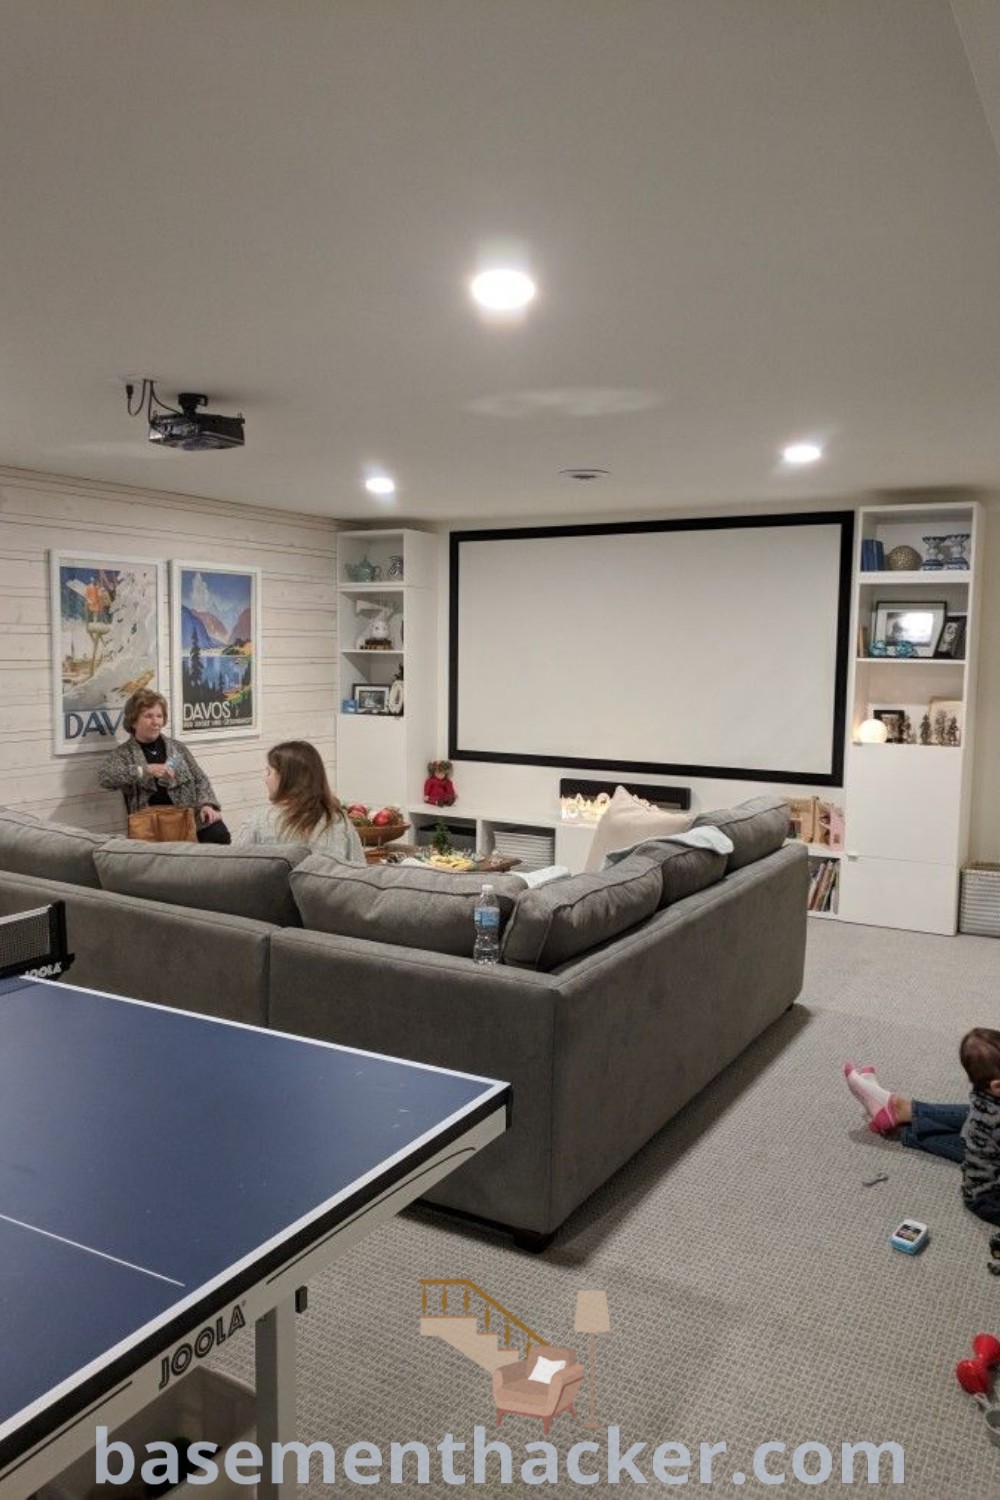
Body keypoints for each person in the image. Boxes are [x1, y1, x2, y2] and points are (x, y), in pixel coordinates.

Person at [843, 1028, 1000, 1226]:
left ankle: (900, 1117)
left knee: (978, 1129)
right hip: (986, 1194)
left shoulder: (984, 1094)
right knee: (980, 1132)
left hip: (984, 1151)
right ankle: (900, 1115)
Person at [98, 688, 231, 844]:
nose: (156, 722)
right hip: (152, 824)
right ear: (134, 721)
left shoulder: (177, 748)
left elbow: (200, 779)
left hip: (189, 817)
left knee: (219, 835)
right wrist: (145, 770)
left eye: (159, 716)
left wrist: (207, 805)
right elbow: (105, 777)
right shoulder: (124, 753)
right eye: (148, 716)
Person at [235, 740, 365, 861]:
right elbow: (359, 877)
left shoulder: (259, 821)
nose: (265, 779)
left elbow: (232, 871)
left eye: (269, 772)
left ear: (286, 778)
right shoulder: (339, 821)